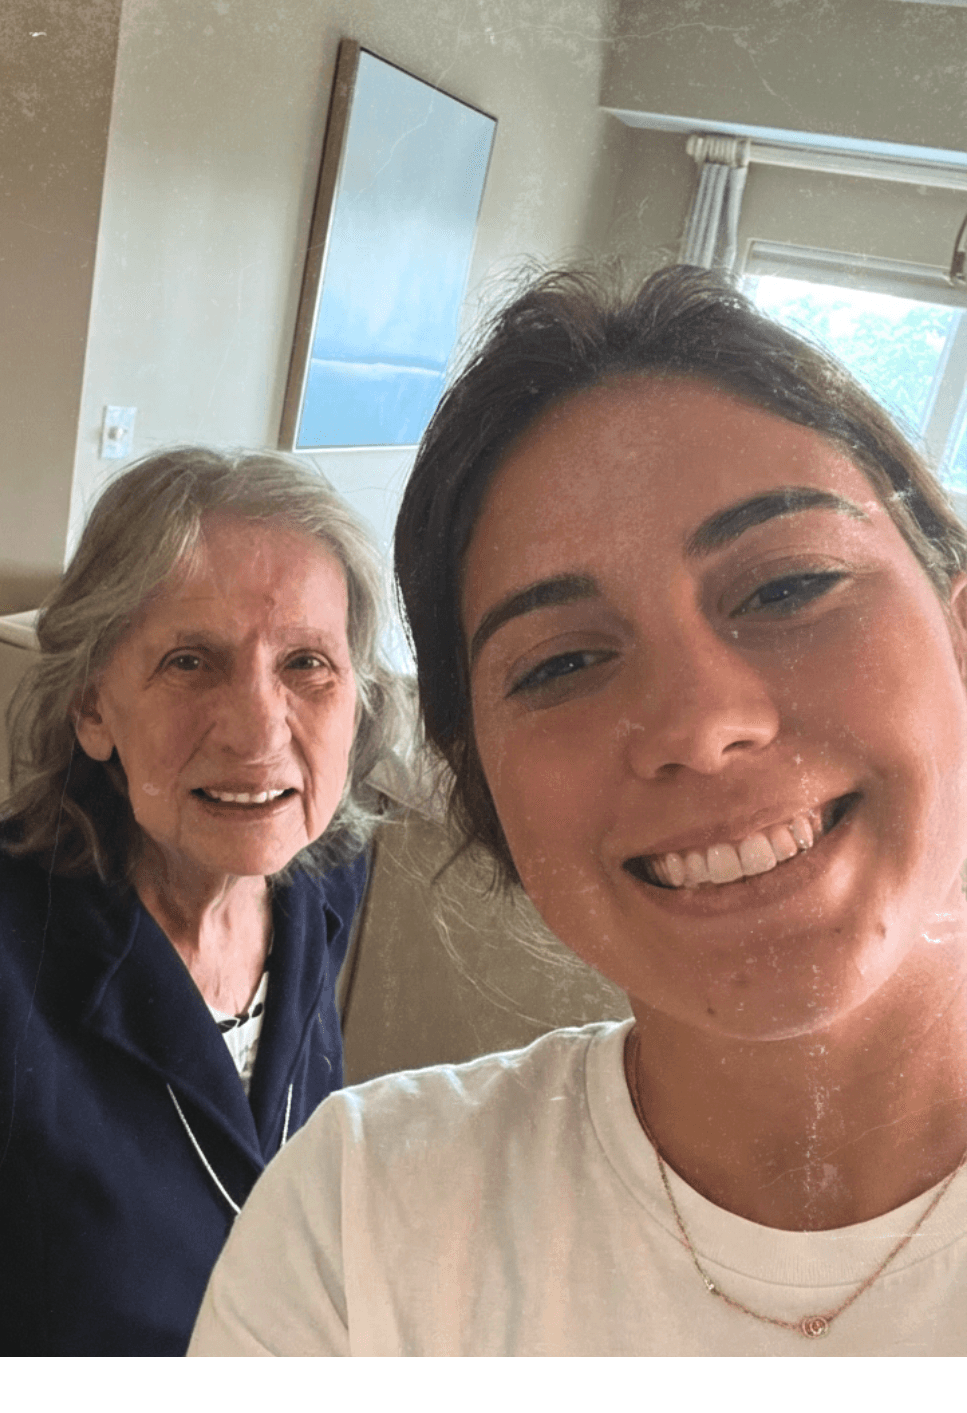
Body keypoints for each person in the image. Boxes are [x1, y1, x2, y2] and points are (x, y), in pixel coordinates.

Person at [188, 265, 967, 1356]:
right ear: (484, 788)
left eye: (787, 587)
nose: (699, 722)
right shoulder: (359, 1222)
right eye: (561, 664)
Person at [0, 446, 397, 1355]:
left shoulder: (319, 878)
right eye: (190, 661)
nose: (260, 728)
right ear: (94, 707)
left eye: (307, 663)